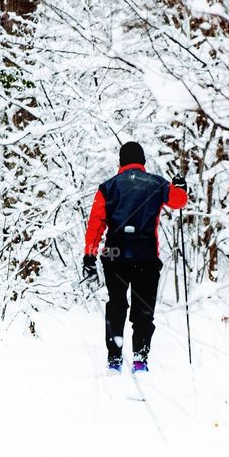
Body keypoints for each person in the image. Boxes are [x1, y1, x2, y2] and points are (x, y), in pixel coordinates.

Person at [82, 141, 188, 373]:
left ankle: (115, 359)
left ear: (120, 162)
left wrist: (89, 257)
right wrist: (180, 186)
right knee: (143, 308)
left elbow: (96, 224)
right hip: (146, 256)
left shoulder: (107, 187)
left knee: (117, 304)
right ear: (143, 162)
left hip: (115, 255)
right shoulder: (157, 184)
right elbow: (179, 201)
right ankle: (140, 358)